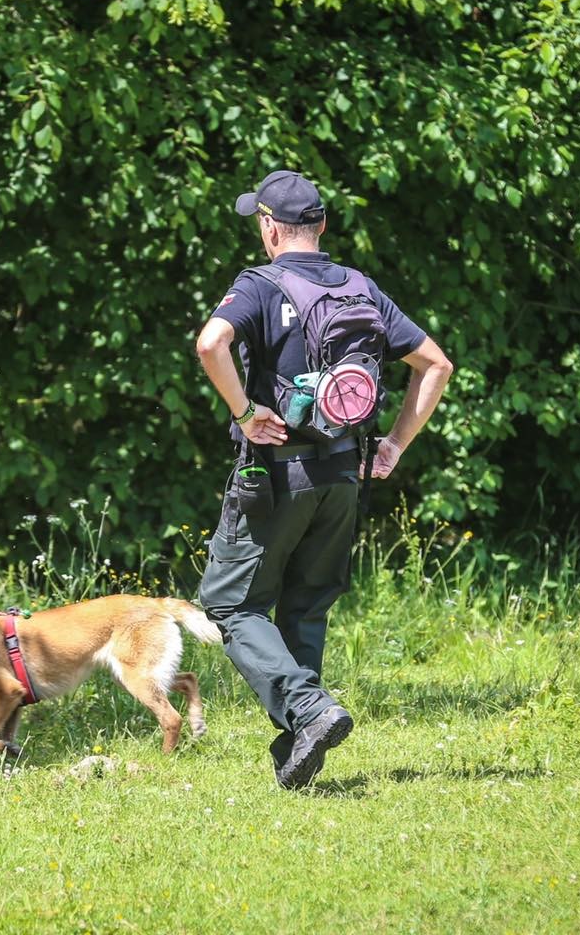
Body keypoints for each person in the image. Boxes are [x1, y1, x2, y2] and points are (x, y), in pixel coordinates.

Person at [195, 170, 453, 789]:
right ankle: (299, 746)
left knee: (229, 602)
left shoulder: (258, 285)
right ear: (323, 227)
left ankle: (309, 709)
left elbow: (210, 344)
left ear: (269, 227)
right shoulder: (360, 287)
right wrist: (392, 445)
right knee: (306, 605)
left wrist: (245, 412)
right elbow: (436, 364)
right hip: (343, 474)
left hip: (277, 476)